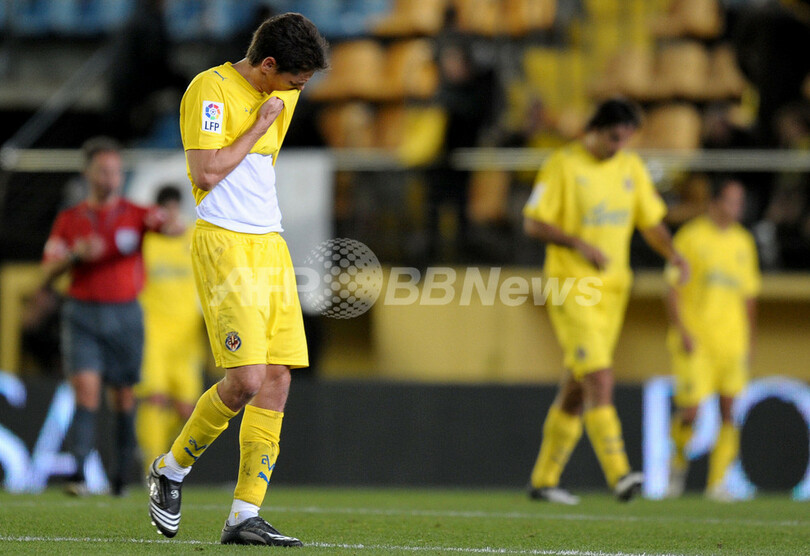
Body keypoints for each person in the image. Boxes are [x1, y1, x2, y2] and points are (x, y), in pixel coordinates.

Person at [146, 13, 328, 546]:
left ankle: (244, 514)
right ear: (267, 64)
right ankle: (170, 469)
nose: (299, 90)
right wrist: (258, 125)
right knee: (245, 380)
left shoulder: (283, 92)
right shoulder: (210, 90)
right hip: (224, 242)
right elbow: (205, 173)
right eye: (295, 79)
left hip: (270, 243)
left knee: (277, 378)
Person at [522, 99, 689, 504]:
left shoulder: (630, 168)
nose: (620, 146)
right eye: (614, 137)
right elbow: (533, 222)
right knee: (599, 376)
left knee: (578, 388)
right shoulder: (563, 165)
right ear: (594, 130)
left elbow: (650, 222)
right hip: (572, 285)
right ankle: (620, 475)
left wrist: (673, 253)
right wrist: (578, 243)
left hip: (613, 292)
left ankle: (544, 481)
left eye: (626, 139)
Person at [41, 137, 178, 496]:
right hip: (82, 314)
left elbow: (169, 226)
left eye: (115, 171)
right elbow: (47, 271)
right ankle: (78, 474)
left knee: (124, 395)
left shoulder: (136, 214)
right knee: (86, 390)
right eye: (103, 170)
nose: (111, 177)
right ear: (88, 173)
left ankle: (120, 477)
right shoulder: (70, 219)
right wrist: (75, 255)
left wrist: (172, 221)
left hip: (125, 314)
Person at [665, 177, 760, 501]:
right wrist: (682, 331)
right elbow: (673, 289)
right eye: (732, 201)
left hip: (732, 341)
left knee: (729, 411)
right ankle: (677, 466)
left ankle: (717, 483)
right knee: (690, 412)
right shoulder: (691, 237)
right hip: (697, 340)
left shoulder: (743, 242)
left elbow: (749, 297)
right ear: (715, 203)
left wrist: (750, 342)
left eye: (740, 202)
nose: (737, 208)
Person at [135, 185, 204, 476]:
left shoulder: (194, 237)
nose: (171, 215)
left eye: (175, 209)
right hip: (152, 332)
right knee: (155, 398)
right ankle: (151, 465)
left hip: (187, 334)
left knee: (188, 408)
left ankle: (165, 458)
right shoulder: (146, 241)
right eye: (165, 210)